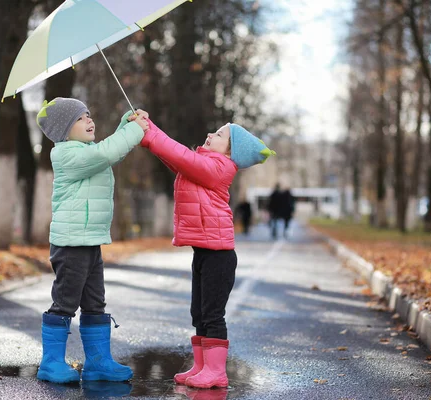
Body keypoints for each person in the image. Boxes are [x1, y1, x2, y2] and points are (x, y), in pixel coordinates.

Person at [134, 115, 275, 389]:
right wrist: (148, 131)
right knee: (198, 313)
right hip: (204, 252)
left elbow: (184, 158)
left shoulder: (220, 168)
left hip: (219, 256)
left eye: (220, 135)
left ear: (231, 152)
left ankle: (216, 371)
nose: (211, 134)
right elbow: (177, 159)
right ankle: (202, 366)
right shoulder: (206, 164)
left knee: (212, 314)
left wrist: (150, 134)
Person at [35, 97, 148, 383]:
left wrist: (127, 124)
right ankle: (50, 363)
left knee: (95, 302)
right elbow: (105, 155)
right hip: (70, 245)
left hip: (89, 241)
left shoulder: (87, 150)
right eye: (81, 117)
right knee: (65, 302)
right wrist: (134, 132)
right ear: (64, 129)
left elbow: (111, 151)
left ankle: (98, 363)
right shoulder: (66, 155)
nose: (90, 121)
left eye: (89, 115)